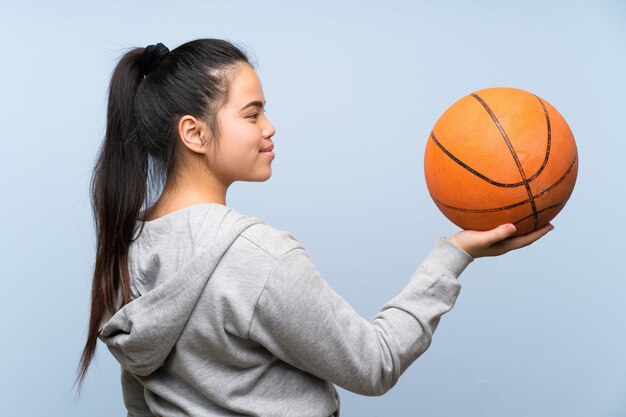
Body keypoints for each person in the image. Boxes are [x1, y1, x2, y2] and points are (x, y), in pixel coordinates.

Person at [76, 39, 553, 417]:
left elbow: (141, 401)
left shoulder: (127, 249)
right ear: (194, 133)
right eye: (253, 113)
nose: (270, 127)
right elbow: (374, 364)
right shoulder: (255, 256)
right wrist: (454, 256)